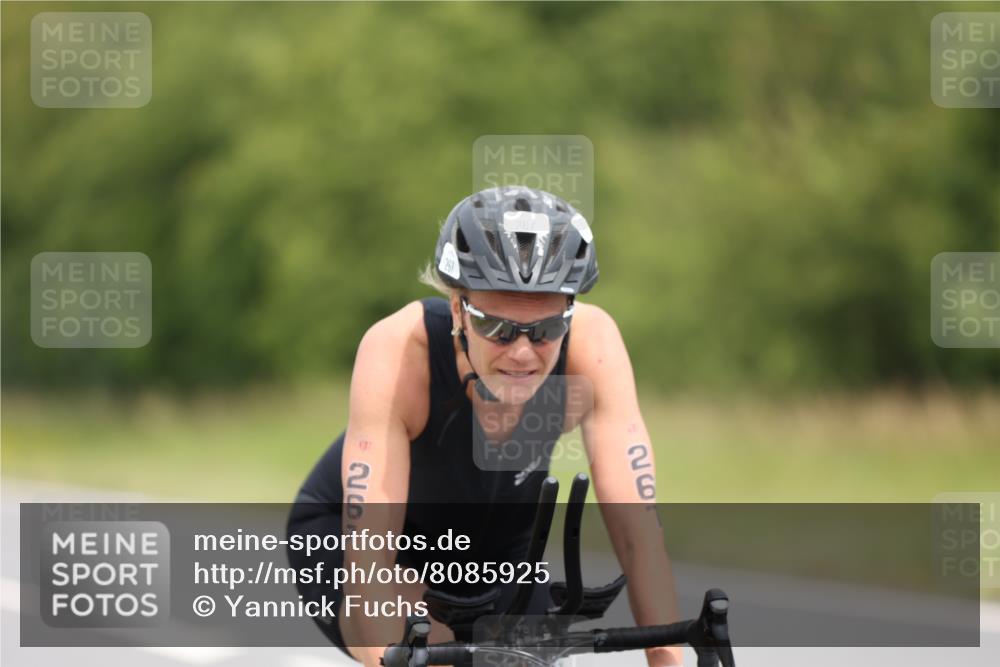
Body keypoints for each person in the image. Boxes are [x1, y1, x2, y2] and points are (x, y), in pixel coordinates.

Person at [287, 186, 683, 666]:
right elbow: (369, 562)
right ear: (458, 309)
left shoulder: (593, 348)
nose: (521, 352)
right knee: (431, 653)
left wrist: (668, 659)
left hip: (499, 552)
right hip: (373, 542)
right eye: (496, 328)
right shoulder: (398, 354)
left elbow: (639, 535)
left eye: (546, 330)